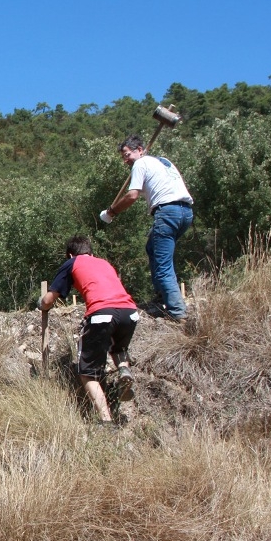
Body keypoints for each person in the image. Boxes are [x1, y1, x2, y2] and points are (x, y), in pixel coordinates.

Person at [39, 235, 139, 423]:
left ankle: (105, 420)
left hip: (102, 314)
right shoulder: (104, 263)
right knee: (118, 347)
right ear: (91, 252)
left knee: (87, 371)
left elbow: (48, 299)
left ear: (70, 254)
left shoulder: (72, 263)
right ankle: (124, 370)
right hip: (130, 312)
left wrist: (42, 304)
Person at [99, 135, 194, 320]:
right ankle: (162, 295)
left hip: (167, 213)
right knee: (152, 247)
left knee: (163, 264)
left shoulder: (141, 164)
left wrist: (111, 212)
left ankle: (177, 313)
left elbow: (132, 196)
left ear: (140, 150)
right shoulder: (162, 162)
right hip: (185, 213)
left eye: (127, 154)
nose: (125, 159)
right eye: (123, 156)